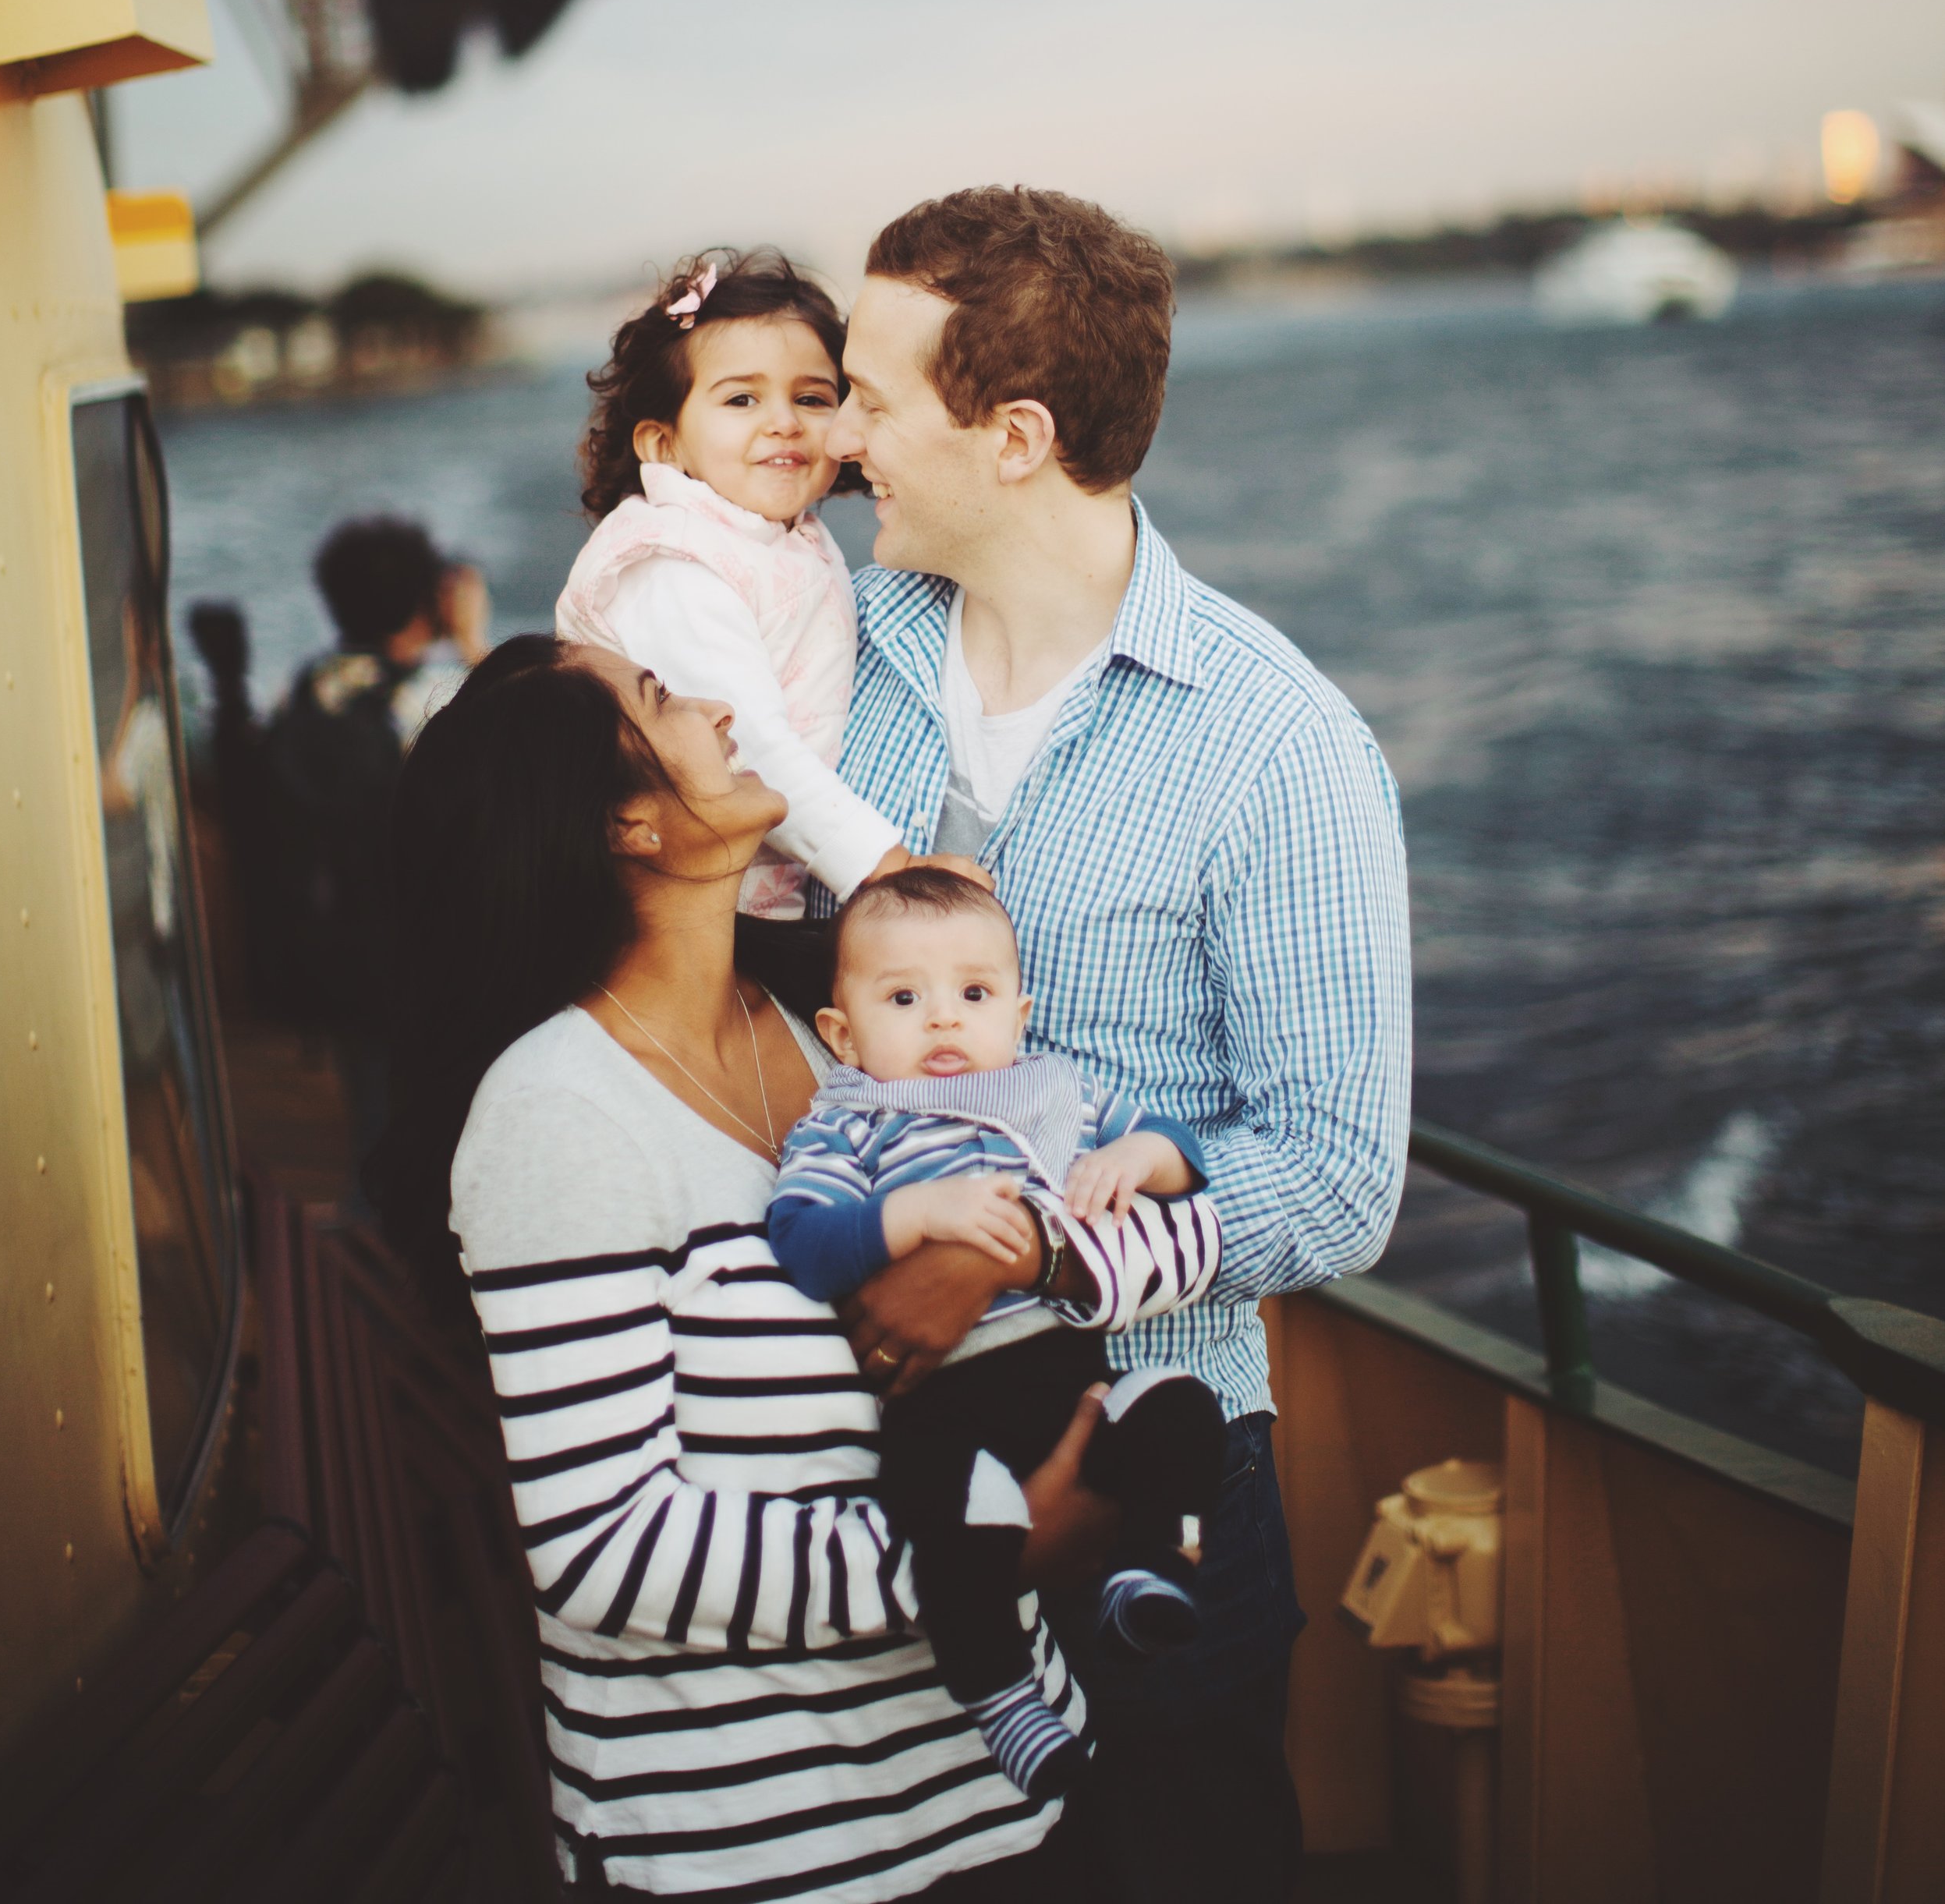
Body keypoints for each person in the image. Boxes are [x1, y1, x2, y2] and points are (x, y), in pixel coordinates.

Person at [370, 635, 1220, 1902]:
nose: (719, 706)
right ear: (628, 827)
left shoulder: (838, 1035)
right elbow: (604, 1548)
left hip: (1006, 1800)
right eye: (661, 699)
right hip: (772, 1847)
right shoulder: (558, 1113)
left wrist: (1021, 1251)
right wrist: (990, 1556)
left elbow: (1112, 1215)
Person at [817, 186, 1413, 1904]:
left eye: (869, 398)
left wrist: (1045, 1265)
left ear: (1012, 436)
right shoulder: (844, 650)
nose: (841, 441)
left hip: (1147, 1458)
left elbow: (1337, 1171)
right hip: (846, 1455)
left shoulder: (1277, 747)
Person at [768, 862, 1225, 1811]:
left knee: (1181, 1408)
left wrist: (1136, 1156)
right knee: (959, 1525)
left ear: (1019, 1016)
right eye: (904, 997)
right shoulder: (848, 1124)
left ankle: (1150, 1561)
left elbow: (1187, 1156)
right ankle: (999, 1694)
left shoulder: (1055, 1094)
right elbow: (804, 1245)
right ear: (841, 1034)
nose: (943, 1019)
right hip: (946, 1402)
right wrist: (919, 1214)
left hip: (1069, 1375)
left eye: (973, 995)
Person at [557, 247, 980, 1014]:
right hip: (673, 914)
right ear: (661, 443)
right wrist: (889, 870)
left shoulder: (781, 537)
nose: (782, 421)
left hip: (759, 899)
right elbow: (748, 745)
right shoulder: (669, 564)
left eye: (813, 398)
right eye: (740, 400)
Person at [262, 515, 488, 1197]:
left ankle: (371, 1234)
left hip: (340, 946)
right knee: (451, 1118)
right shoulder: (438, 698)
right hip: (432, 951)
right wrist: (475, 642)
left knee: (373, 1110)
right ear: (428, 603)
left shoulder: (309, 688)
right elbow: (533, 752)